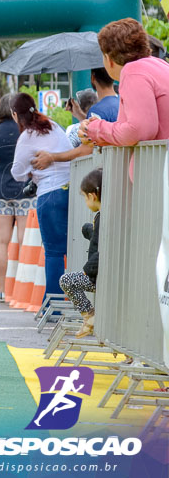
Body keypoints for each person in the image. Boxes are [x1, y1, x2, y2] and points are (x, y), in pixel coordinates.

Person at [10, 92, 71, 300]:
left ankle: (53, 303)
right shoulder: (52, 125)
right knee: (71, 247)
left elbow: (17, 173)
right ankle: (74, 300)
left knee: (54, 252)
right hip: (70, 189)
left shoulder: (26, 137)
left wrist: (30, 170)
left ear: (15, 115)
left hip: (50, 194)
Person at [0, 94, 35, 303]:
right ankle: (21, 290)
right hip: (25, 190)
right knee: (24, 240)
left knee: (0, 241)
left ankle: (1, 290)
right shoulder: (28, 132)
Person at [80, 17, 169, 146]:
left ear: (108, 58)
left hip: (158, 163)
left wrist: (96, 129)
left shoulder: (132, 71)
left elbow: (139, 131)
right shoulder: (160, 65)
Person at [59, 168, 102, 338]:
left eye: (85, 197)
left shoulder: (103, 217)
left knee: (67, 281)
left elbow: (103, 250)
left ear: (92, 196)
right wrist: (89, 231)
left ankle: (89, 316)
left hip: (98, 277)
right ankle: (89, 317)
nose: (85, 201)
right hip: (101, 275)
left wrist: (88, 270)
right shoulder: (104, 216)